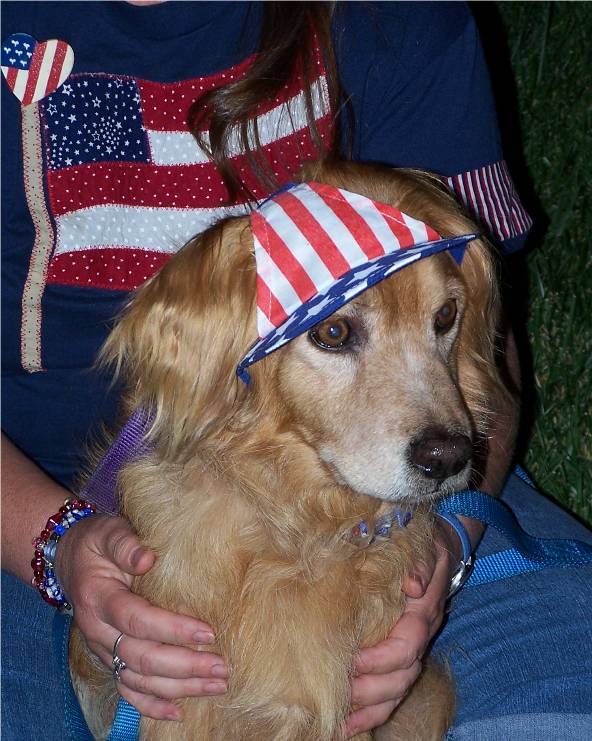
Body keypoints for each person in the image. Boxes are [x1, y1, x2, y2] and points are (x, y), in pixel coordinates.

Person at [2, 2, 590, 740]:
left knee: (567, 708)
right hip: (21, 492)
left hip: (405, 509)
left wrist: (454, 538)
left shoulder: (393, 17)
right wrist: (53, 539)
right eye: (337, 332)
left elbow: (474, 350)